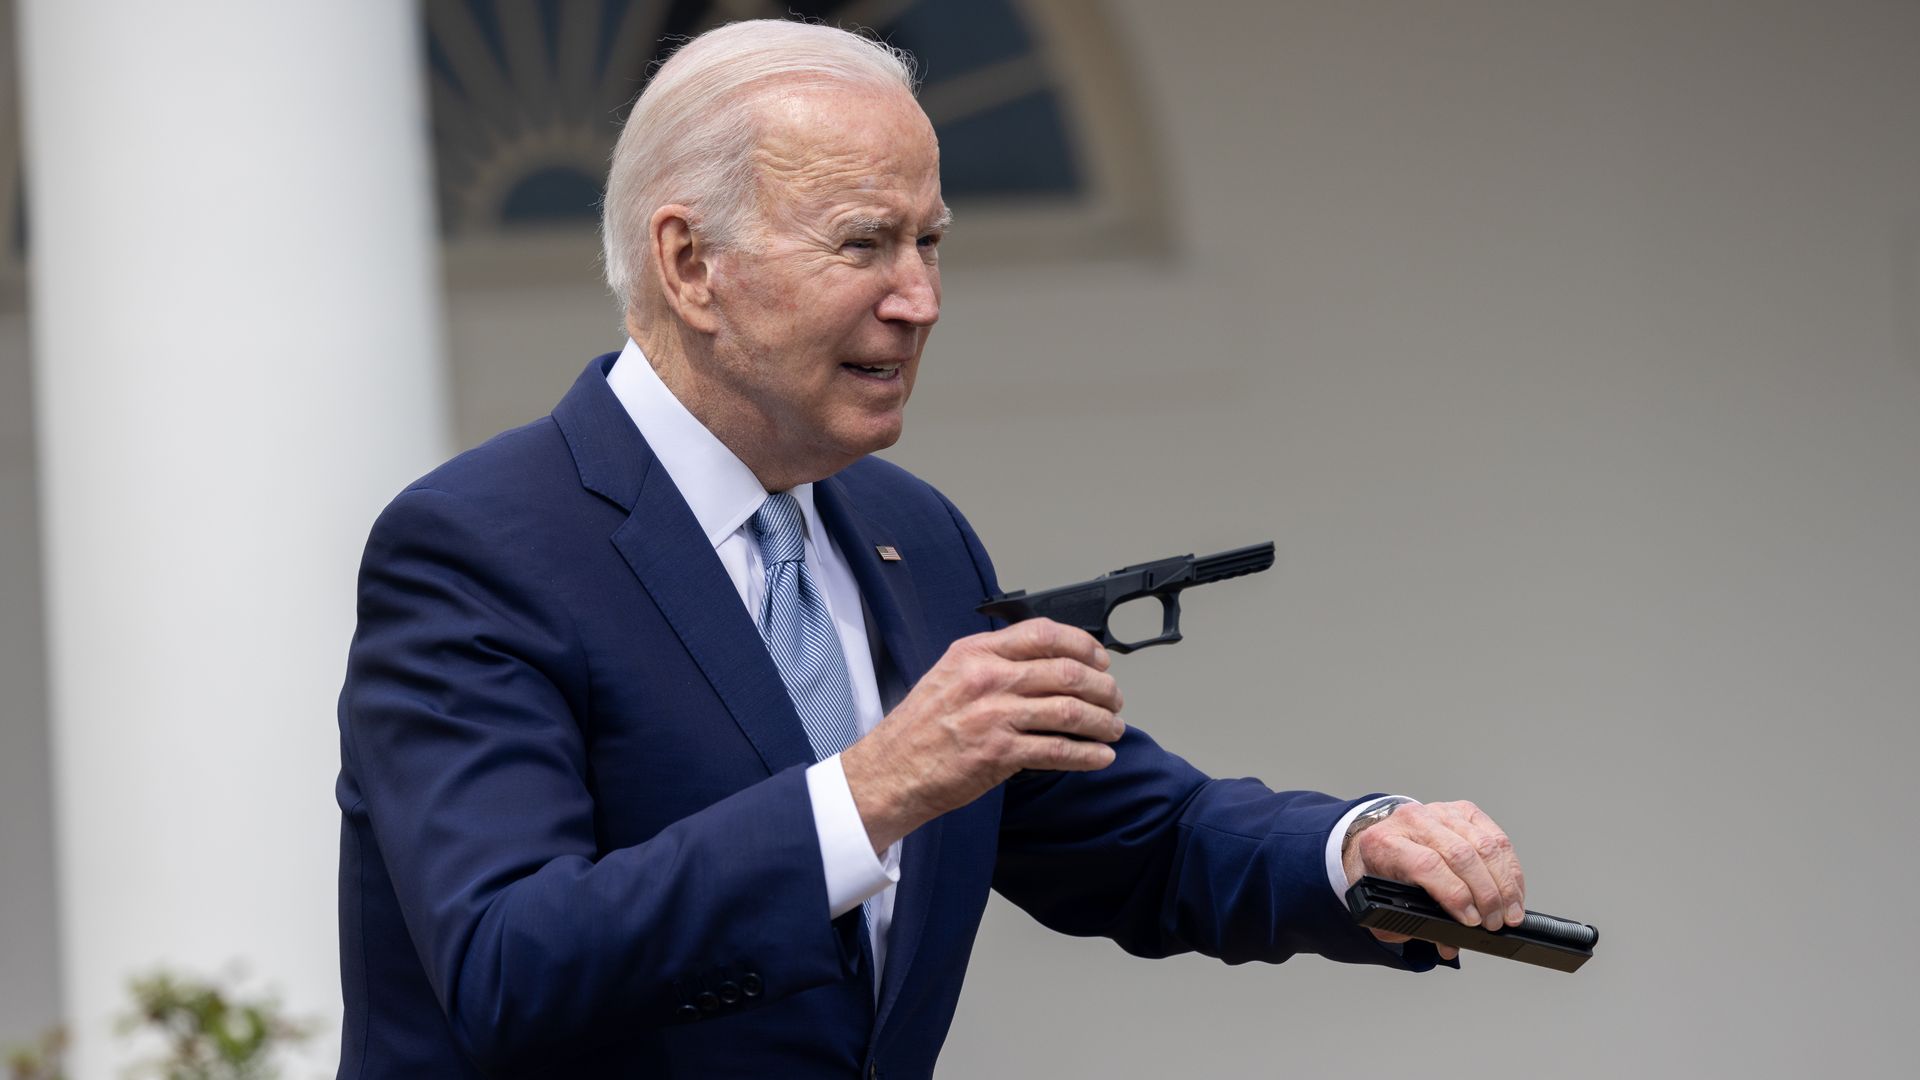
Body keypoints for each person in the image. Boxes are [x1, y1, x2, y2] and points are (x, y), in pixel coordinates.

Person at [335, 19, 1528, 1080]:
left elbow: (1131, 836)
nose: (920, 299)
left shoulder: (909, 532)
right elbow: (506, 964)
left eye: (930, 242)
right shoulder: (478, 548)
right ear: (690, 265)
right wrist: (874, 788)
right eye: (864, 245)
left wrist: (1353, 851)